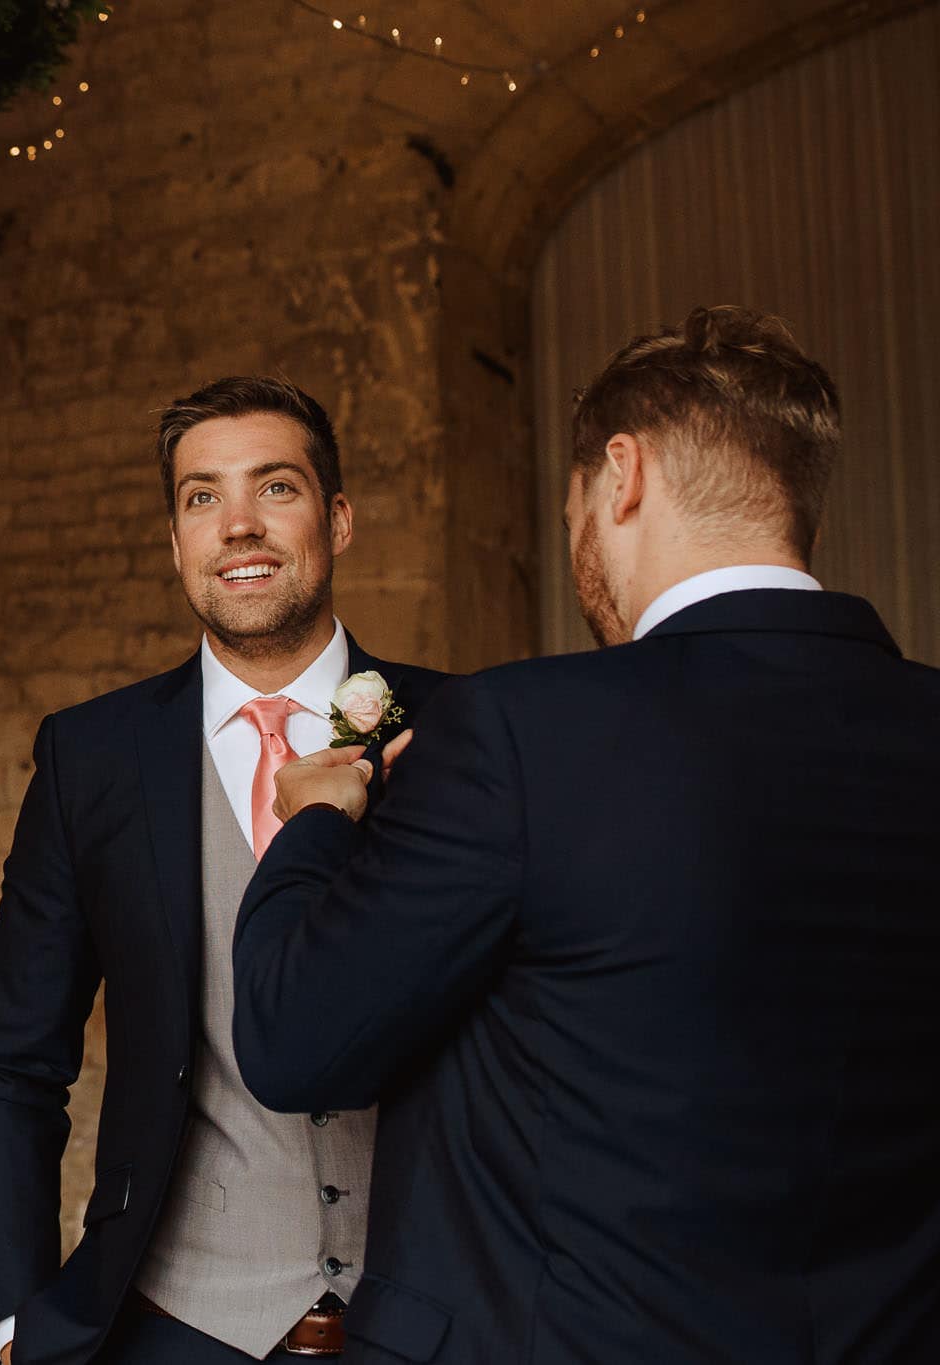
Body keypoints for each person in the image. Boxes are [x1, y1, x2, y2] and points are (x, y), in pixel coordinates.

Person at [232, 306, 940, 1363]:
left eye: (573, 510)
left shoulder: (519, 730)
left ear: (622, 475)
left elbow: (294, 1041)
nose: (575, 541)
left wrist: (314, 829)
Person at [0, 378, 446, 1365]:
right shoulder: (91, 758)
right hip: (173, 1325)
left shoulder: (460, 729)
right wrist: (14, 1325)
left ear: (336, 519)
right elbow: (10, 1066)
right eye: (200, 497)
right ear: (175, 541)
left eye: (274, 488)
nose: (237, 526)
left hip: (437, 1319)